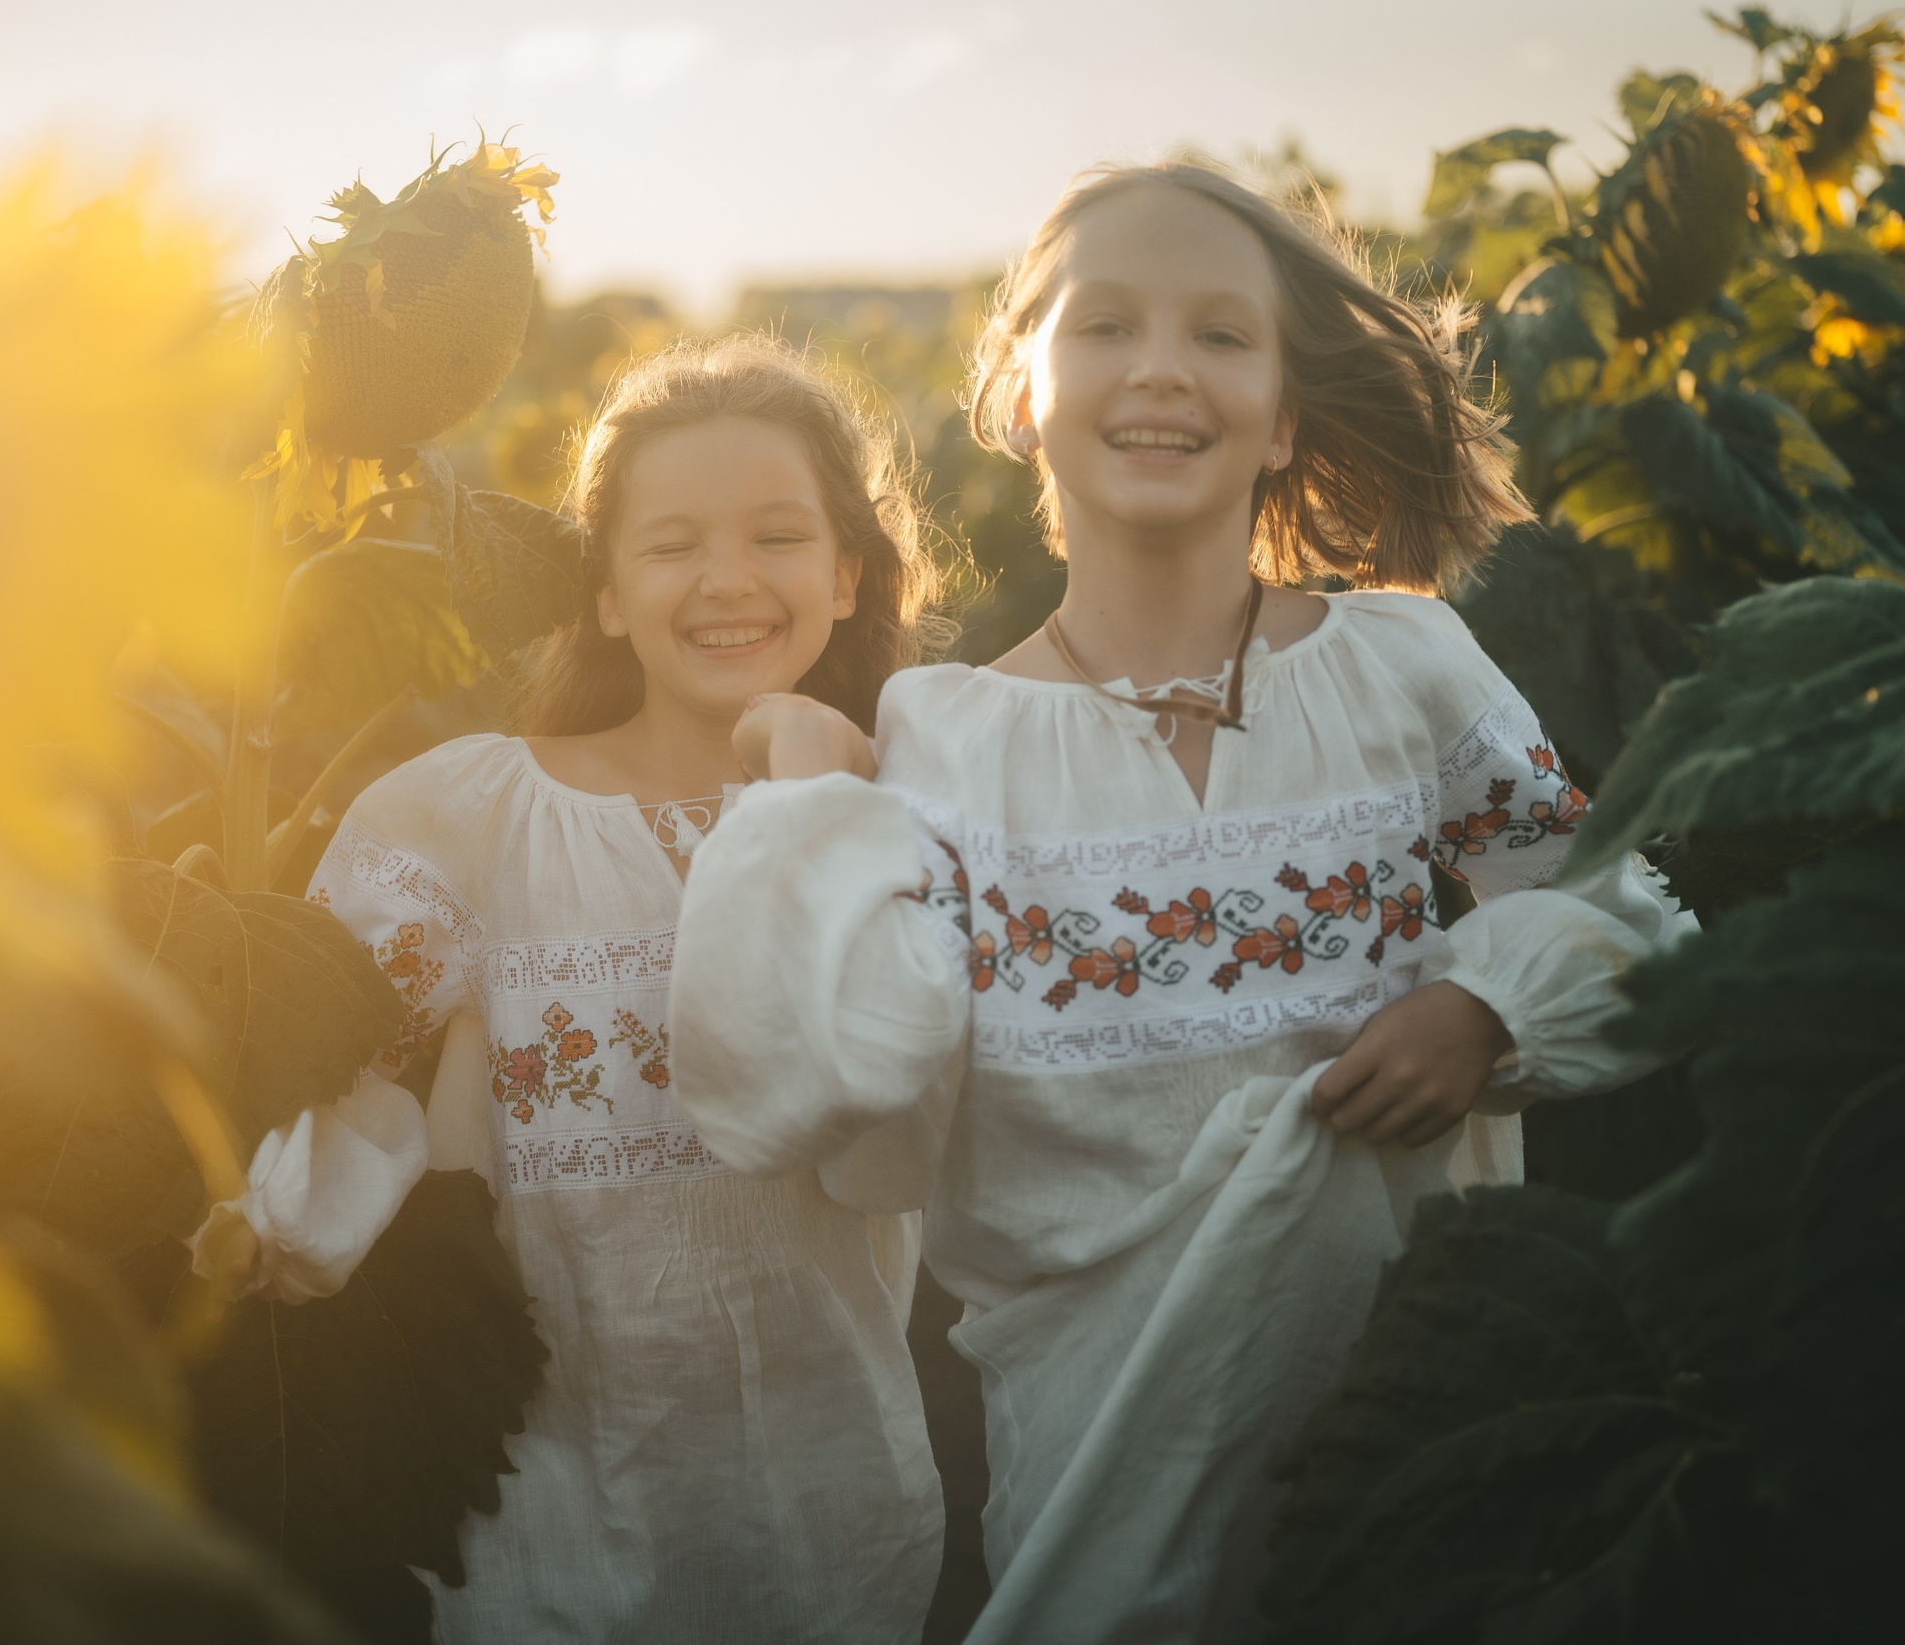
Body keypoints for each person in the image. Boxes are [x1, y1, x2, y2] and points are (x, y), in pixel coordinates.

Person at [667, 164, 1696, 1642]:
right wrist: (804, 785)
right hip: (1101, 1466)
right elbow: (830, 1103)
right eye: (1105, 329)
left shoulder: (1404, 665)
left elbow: (1633, 910)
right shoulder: (941, 733)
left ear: (1283, 413)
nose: (1159, 367)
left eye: (1221, 334)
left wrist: (1485, 1006)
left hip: (1412, 1444)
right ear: (1022, 392)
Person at [202, 334, 950, 1642]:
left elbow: (907, 1132)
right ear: (605, 594)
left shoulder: (905, 816)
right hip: (550, 1492)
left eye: (777, 536)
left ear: (847, 572)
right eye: (670, 546)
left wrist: (813, 799)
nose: (726, 580)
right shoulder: (468, 815)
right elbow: (342, 1082)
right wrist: (265, 1221)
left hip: (834, 1486)